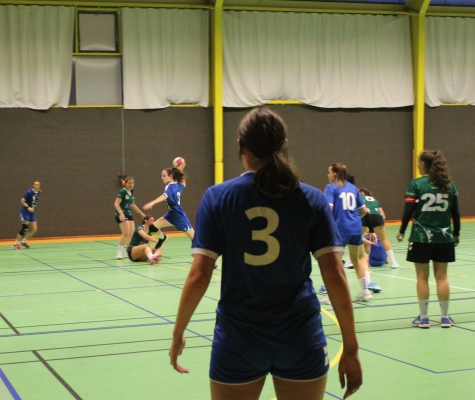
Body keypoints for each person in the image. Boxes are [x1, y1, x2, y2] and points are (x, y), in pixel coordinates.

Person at [169, 107, 362, 400]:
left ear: (240, 146)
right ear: (284, 146)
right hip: (300, 339)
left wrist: (178, 332)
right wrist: (351, 347)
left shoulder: (218, 198)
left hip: (238, 340)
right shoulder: (311, 199)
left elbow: (199, 276)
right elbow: (334, 274)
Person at [397, 150, 460, 329]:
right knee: (442, 277)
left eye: (418, 161)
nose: (417, 163)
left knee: (422, 278)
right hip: (444, 237)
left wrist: (402, 230)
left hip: (420, 237)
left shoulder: (416, 184)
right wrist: (456, 233)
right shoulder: (449, 186)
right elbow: (455, 213)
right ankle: (445, 317)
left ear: (423, 164)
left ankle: (424, 318)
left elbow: (408, 210)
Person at [323, 164, 380, 303]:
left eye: (329, 172)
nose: (327, 175)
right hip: (355, 227)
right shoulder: (353, 188)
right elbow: (364, 210)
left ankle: (334, 295)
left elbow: (328, 208)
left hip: (340, 229)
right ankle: (366, 292)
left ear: (335, 174)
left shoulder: (331, 188)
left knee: (335, 263)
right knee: (357, 260)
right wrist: (352, 219)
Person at [143, 165, 194, 248]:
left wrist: (152, 203)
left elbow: (164, 196)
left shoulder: (170, 187)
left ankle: (213, 259)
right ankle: (163, 238)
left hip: (179, 216)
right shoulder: (178, 185)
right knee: (152, 227)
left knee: (195, 239)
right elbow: (184, 183)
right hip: (171, 215)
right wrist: (181, 170)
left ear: (170, 177)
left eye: (164, 176)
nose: (162, 178)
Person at [358, 188, 399, 268]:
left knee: (356, 238)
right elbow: (383, 216)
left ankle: (350, 261)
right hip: (377, 217)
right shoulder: (375, 200)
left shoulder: (359, 197)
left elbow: (361, 211)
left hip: (365, 215)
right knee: (384, 239)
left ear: (362, 193)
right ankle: (393, 262)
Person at [115, 177, 145, 259]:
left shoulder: (131, 193)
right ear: (125, 183)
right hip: (121, 214)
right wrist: (121, 213)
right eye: (129, 183)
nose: (131, 184)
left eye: (132, 183)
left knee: (131, 233)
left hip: (128, 214)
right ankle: (119, 252)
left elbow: (133, 205)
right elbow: (116, 204)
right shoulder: (122, 191)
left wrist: (141, 214)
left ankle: (127, 252)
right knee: (126, 233)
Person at [14, 181, 41, 250]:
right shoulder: (29, 192)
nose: (36, 186)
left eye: (37, 185)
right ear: (32, 185)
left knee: (34, 229)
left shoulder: (38, 193)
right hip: (25, 211)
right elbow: (22, 200)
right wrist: (28, 207)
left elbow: (34, 202)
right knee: (25, 228)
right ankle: (16, 243)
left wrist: (32, 208)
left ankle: (24, 241)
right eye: (35, 184)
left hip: (31, 212)